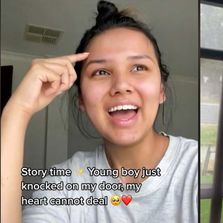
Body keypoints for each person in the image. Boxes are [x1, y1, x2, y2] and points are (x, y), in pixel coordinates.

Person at [0, 1, 197, 223]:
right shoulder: (65, 184)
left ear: (161, 90)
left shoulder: (195, 169)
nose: (121, 85)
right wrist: (16, 112)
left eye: (138, 67)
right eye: (101, 72)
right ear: (81, 99)